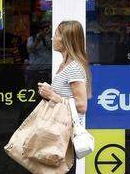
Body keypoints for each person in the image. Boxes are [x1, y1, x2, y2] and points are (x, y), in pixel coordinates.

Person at [36, 20, 91, 174]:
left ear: (67, 39)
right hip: (59, 132)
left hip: (64, 135)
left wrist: (52, 95)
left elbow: (82, 106)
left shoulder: (74, 67)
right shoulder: (64, 65)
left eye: (56, 35)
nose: (52, 39)